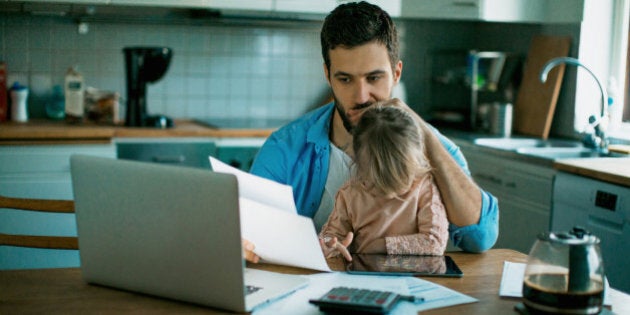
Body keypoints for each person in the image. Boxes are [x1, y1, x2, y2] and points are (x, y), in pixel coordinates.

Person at [248, 1, 498, 261]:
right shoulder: (284, 148)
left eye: (374, 78)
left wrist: (424, 135)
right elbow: (253, 235)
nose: (361, 96)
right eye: (345, 79)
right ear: (327, 75)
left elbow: (480, 237)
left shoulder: (435, 145)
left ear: (396, 73)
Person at [319, 106, 449, 261]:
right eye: (376, 180)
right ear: (358, 162)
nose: (389, 191)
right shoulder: (351, 194)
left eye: (401, 176)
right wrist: (329, 244)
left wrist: (382, 245)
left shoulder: (424, 187)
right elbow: (327, 237)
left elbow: (435, 242)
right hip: (365, 276)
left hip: (413, 276)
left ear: (418, 159)